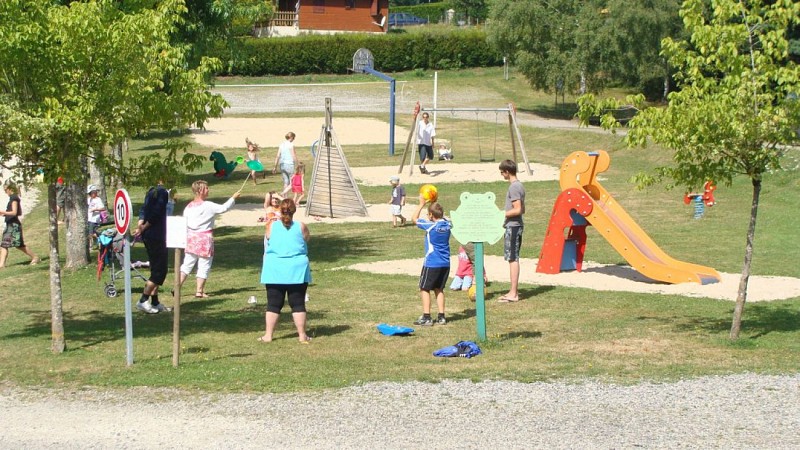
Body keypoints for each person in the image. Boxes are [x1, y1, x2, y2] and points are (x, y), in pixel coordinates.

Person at [258, 198, 312, 343]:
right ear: (294, 211)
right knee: (298, 303)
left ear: (280, 211)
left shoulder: (271, 226)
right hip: (297, 269)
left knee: (273, 303)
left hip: (275, 269)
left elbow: (268, 238)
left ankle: (268, 335)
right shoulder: (301, 226)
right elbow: (306, 239)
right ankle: (302, 335)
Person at [177, 180, 240, 299]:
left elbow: (185, 222)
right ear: (200, 190)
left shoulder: (188, 207)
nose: (208, 190)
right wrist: (233, 198)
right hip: (204, 238)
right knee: (204, 265)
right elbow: (223, 208)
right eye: (206, 188)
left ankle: (177, 287)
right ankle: (199, 291)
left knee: (187, 264)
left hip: (191, 238)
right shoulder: (208, 206)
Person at [411, 193, 451, 326]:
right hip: (445, 263)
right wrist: (435, 206)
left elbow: (414, 219)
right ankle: (441, 316)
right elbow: (443, 218)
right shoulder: (448, 224)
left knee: (424, 288)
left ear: (430, 216)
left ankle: (427, 316)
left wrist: (422, 204)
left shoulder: (430, 226)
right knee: (439, 289)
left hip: (432, 263)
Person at [132, 180, 171, 314]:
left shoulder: (150, 191)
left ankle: (155, 302)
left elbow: (143, 210)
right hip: (157, 235)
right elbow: (156, 213)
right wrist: (144, 227)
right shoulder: (162, 192)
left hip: (149, 235)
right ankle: (143, 300)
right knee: (160, 271)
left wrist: (140, 226)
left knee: (155, 267)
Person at [498, 159, 525, 303]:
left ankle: (513, 293)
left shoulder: (513, 187)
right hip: (516, 225)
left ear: (507, 172)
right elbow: (523, 209)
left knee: (513, 258)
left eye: (502, 172)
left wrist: (500, 214)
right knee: (512, 257)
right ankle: (512, 291)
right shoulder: (520, 185)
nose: (502, 175)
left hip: (513, 226)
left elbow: (518, 209)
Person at [0, 181, 39, 268]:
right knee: (4, 245)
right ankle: (1, 265)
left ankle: (35, 257)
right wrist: (5, 214)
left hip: (14, 225)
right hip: (10, 224)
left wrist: (2, 212)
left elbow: (14, 212)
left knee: (19, 245)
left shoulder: (14, 198)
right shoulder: (13, 198)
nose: (5, 192)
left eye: (5, 190)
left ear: (10, 189)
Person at [273, 132, 297, 196]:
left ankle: (284, 198)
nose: (294, 139)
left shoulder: (281, 144)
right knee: (293, 182)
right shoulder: (291, 145)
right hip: (289, 165)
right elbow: (293, 155)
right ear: (291, 137)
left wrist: (275, 167)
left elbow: (278, 156)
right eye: (293, 138)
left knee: (286, 182)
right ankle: (290, 197)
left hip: (282, 165)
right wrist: (297, 164)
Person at [86, 184, 106, 249]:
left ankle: (91, 245)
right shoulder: (89, 199)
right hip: (89, 219)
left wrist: (95, 209)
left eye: (91, 193)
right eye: (89, 193)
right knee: (91, 233)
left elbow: (103, 208)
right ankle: (96, 243)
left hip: (94, 219)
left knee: (91, 233)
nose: (90, 195)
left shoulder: (98, 199)